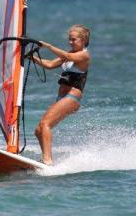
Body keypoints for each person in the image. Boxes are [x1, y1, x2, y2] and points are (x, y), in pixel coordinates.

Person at [28, 24, 91, 165]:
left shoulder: (84, 55)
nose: (70, 42)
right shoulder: (70, 53)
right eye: (69, 39)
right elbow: (50, 64)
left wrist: (48, 46)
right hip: (61, 98)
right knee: (39, 130)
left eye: (73, 39)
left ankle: (47, 161)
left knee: (45, 124)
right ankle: (47, 159)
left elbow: (67, 56)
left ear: (83, 40)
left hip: (71, 98)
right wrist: (32, 58)